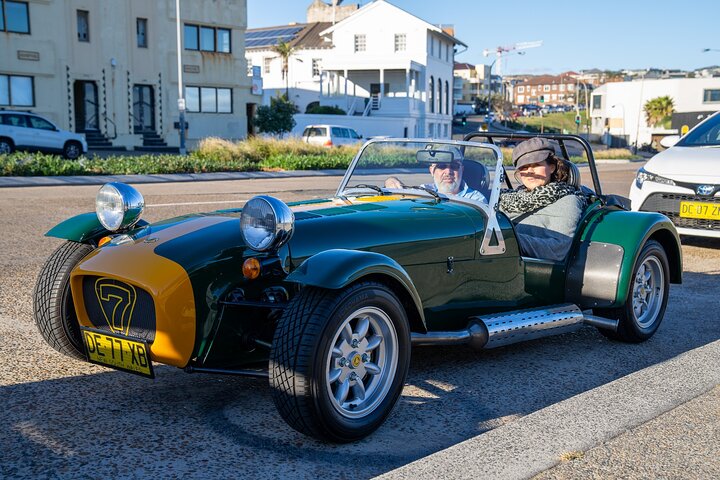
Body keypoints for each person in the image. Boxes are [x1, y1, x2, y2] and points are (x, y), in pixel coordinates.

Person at [500, 137, 587, 261]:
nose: (529, 171)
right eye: (524, 167)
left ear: (551, 167)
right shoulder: (509, 198)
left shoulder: (567, 200)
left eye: (536, 165)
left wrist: (510, 239)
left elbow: (557, 250)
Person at [385, 147, 487, 202]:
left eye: (454, 166)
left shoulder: (475, 200)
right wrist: (390, 181)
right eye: (442, 166)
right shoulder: (423, 190)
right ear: (432, 171)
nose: (448, 172)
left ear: (462, 170)